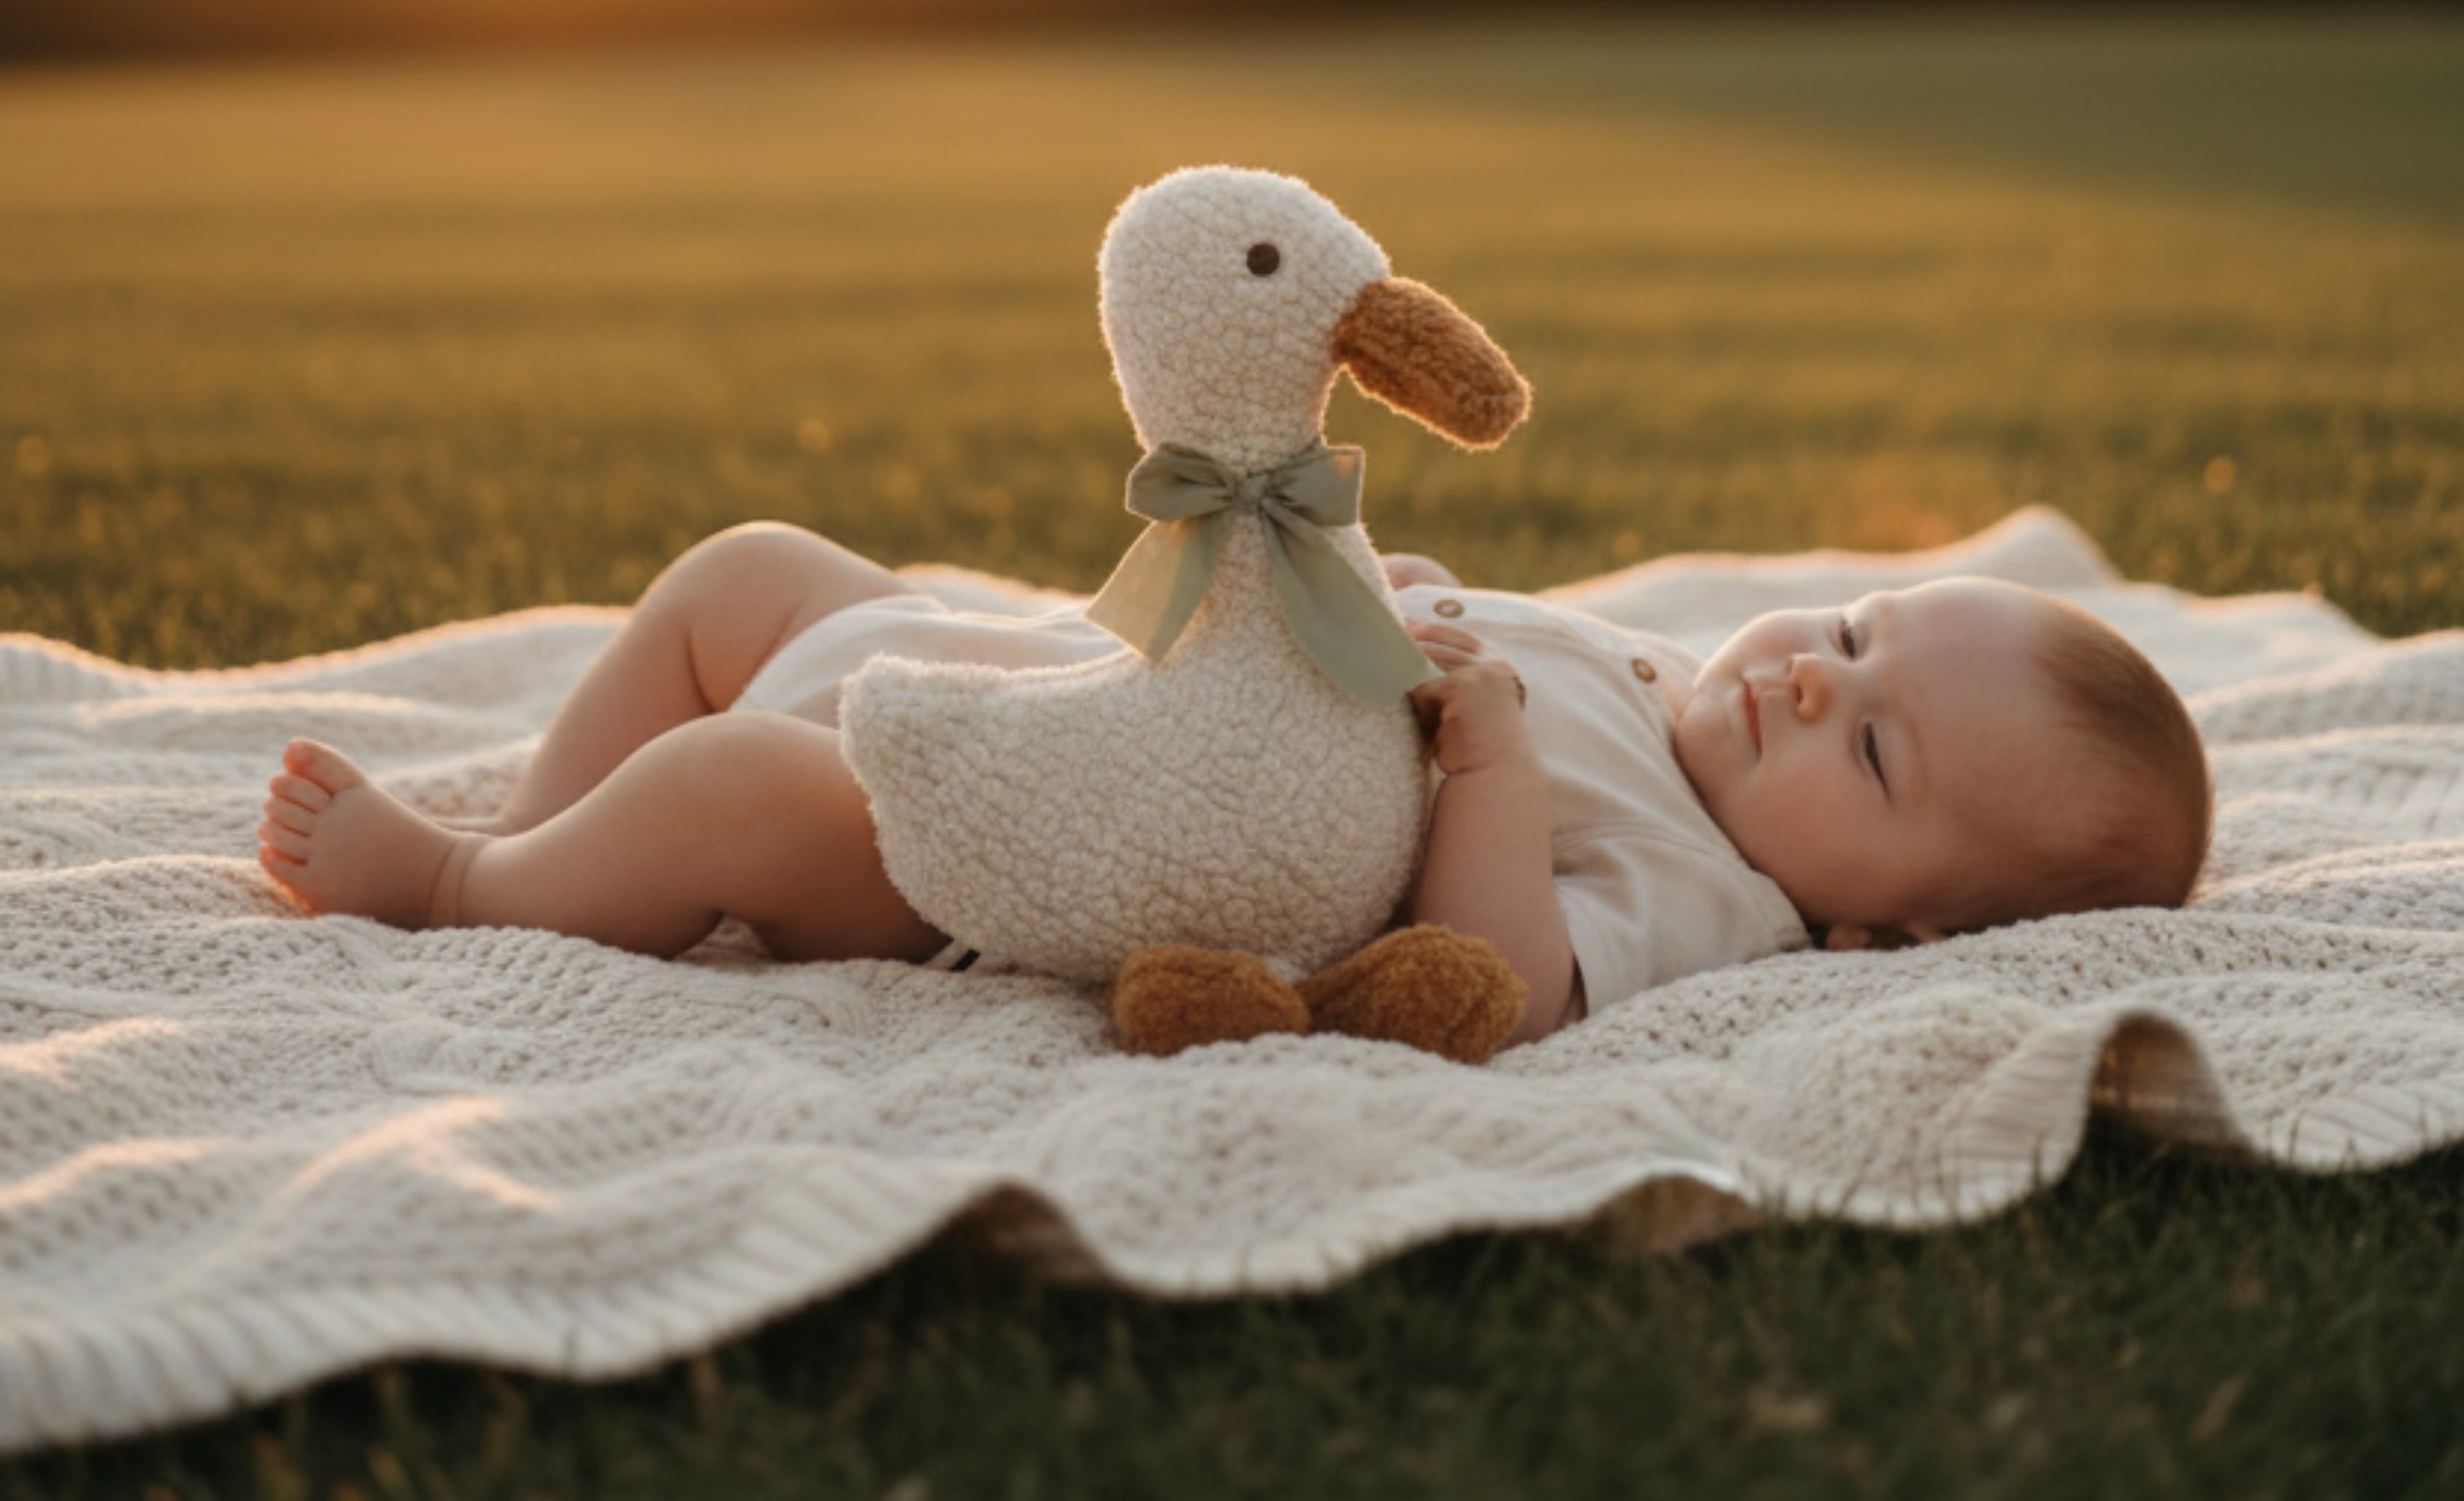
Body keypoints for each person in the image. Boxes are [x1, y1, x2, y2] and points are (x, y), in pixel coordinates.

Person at [256, 520, 2212, 1048]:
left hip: (1020, 848)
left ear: (1893, 926)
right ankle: (544, 832)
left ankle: (455, 892)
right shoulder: (1676, 677)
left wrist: (1492, 767)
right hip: (1052, 681)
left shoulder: (1722, 901)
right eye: (1854, 629)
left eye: (1871, 744)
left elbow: (1501, 988)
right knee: (741, 581)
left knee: (742, 788)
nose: (1806, 677)